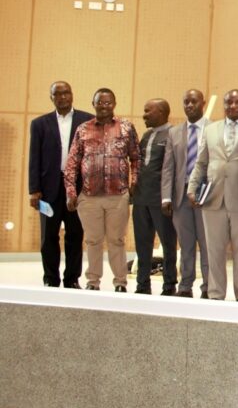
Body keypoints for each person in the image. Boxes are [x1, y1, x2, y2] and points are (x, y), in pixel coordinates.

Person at [64, 88, 140, 292]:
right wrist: (71, 193)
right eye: (100, 102)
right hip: (89, 196)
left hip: (118, 195)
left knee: (116, 240)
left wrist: (134, 184)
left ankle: (120, 282)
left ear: (114, 104)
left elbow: (136, 157)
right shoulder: (83, 129)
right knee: (92, 240)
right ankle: (93, 281)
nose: (104, 106)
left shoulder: (126, 127)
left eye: (108, 102)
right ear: (93, 103)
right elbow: (71, 163)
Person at [187, 89, 238, 302]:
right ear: (224, 105)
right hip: (213, 198)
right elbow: (201, 161)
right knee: (214, 249)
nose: (233, 106)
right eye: (229, 103)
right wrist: (192, 188)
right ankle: (216, 293)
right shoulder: (211, 129)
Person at [28, 81, 92, 288]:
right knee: (48, 237)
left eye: (66, 93)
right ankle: (50, 279)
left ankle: (72, 279)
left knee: (75, 234)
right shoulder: (39, 124)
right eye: (58, 94)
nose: (63, 97)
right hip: (48, 190)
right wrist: (34, 190)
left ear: (72, 95)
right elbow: (34, 158)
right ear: (52, 98)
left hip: (78, 188)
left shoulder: (87, 121)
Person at [161, 89, 210, 298]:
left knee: (207, 245)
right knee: (186, 244)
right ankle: (185, 286)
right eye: (186, 102)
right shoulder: (174, 132)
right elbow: (168, 167)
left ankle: (209, 287)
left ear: (203, 103)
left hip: (206, 196)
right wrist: (166, 197)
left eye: (194, 101)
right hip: (181, 197)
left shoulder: (214, 129)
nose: (189, 105)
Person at [132, 99, 177, 295]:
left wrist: (170, 197)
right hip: (141, 199)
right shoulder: (146, 135)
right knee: (142, 245)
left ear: (161, 112)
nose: (144, 115)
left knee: (168, 245)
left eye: (148, 111)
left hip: (162, 200)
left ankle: (169, 286)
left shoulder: (174, 134)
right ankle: (142, 285)